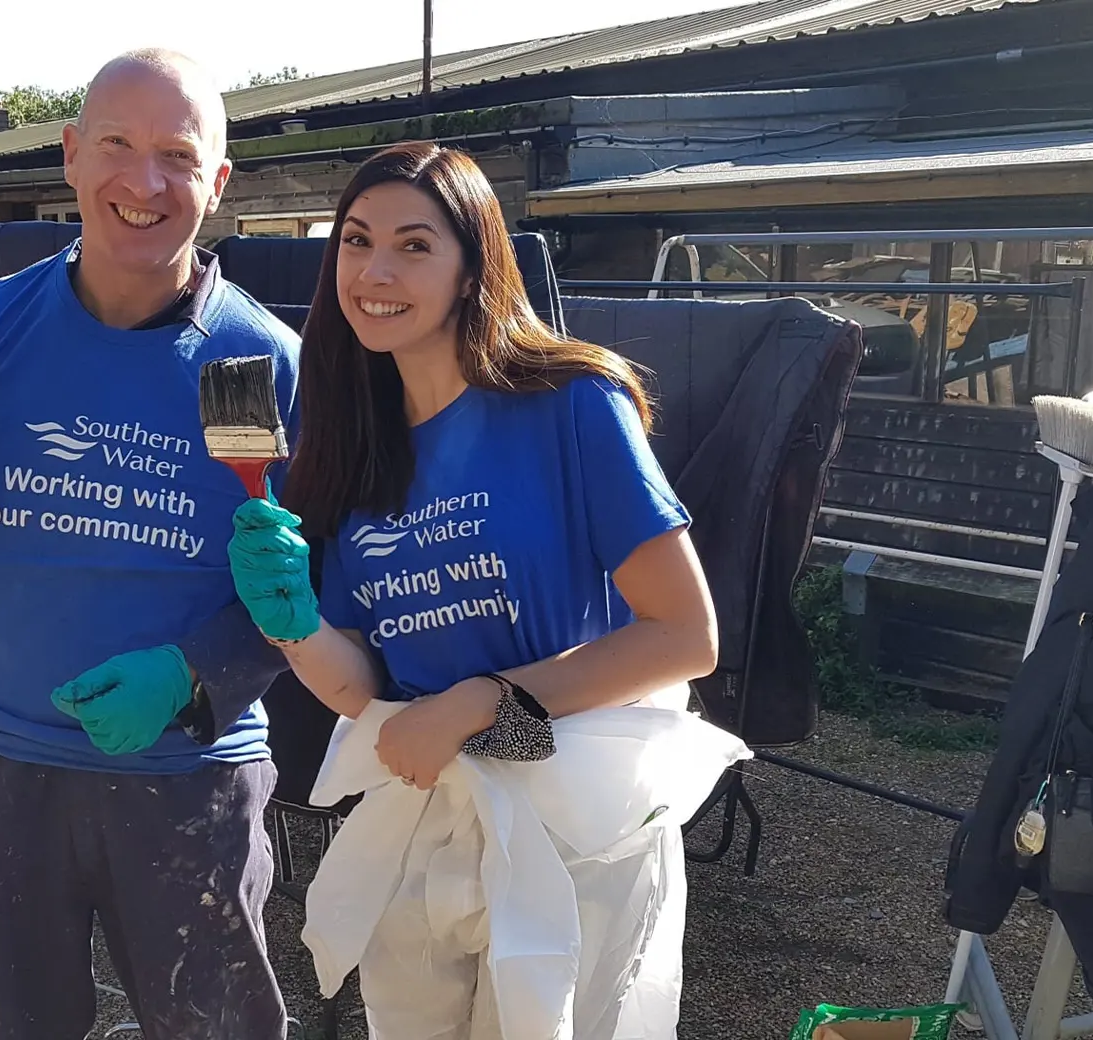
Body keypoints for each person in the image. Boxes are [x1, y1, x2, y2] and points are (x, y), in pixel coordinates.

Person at [0, 49, 296, 1040]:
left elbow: (299, 591)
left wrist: (192, 673)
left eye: (178, 155)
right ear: (72, 155)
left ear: (217, 182)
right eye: (117, 144)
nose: (144, 181)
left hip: (189, 780)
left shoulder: (260, 364)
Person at [225, 141, 722, 1038]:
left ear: (470, 270)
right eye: (355, 240)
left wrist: (479, 701)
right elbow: (362, 688)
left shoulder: (571, 402)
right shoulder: (350, 446)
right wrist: (292, 622)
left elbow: (684, 637)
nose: (375, 271)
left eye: (414, 246)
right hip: (426, 810)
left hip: (572, 818)